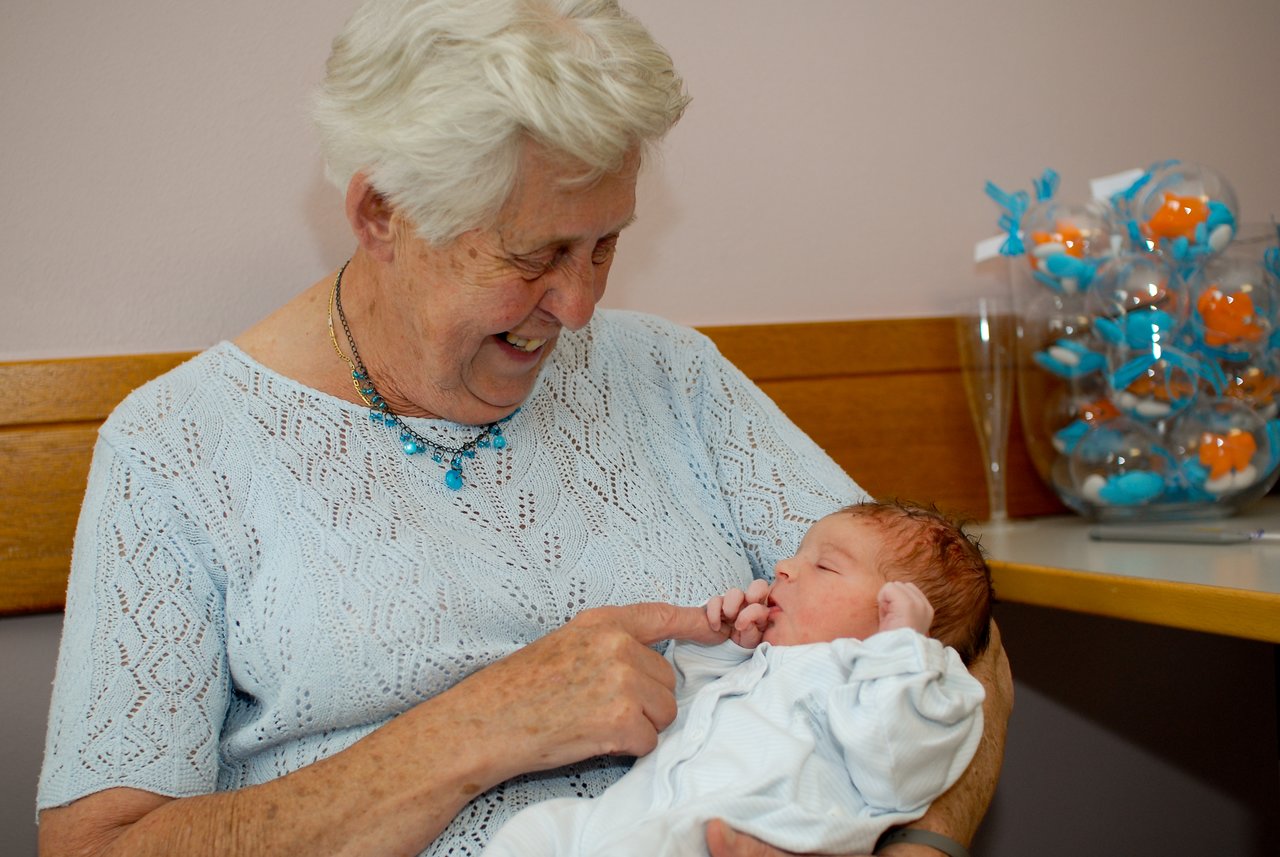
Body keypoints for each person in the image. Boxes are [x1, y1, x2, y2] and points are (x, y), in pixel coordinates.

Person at [36, 2, 1013, 856]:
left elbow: (950, 641)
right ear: (384, 213)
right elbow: (99, 847)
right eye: (536, 252)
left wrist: (918, 847)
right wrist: (475, 728)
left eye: (605, 245)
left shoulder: (671, 377)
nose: (580, 305)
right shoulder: (177, 451)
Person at [480, 501, 992, 857]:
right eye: (797, 553)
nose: (784, 567)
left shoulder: (920, 686)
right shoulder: (768, 661)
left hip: (743, 835)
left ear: (897, 612)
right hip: (631, 818)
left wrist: (898, 651)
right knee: (539, 831)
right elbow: (680, 714)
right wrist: (722, 648)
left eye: (826, 567)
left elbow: (894, 767)